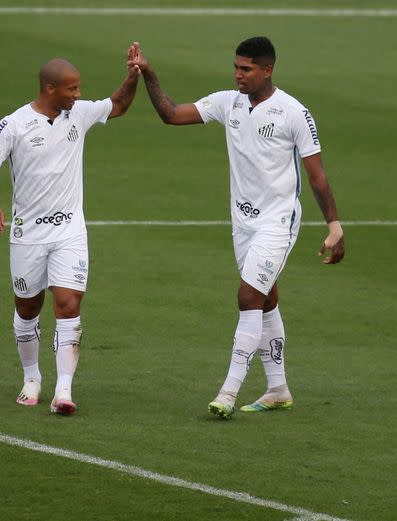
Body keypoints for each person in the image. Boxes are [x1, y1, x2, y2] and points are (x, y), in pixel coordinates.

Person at [128, 37, 346, 419]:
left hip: (278, 220)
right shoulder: (228, 102)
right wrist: (149, 73)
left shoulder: (294, 112)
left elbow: (317, 175)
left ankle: (228, 392)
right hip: (243, 222)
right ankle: (278, 389)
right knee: (266, 298)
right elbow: (170, 113)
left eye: (246, 69)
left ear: (267, 70)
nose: (238, 75)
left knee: (248, 296)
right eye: (236, 67)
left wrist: (333, 224)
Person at [0, 49, 140, 415]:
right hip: (28, 234)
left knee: (68, 304)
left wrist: (134, 75)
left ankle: (64, 390)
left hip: (69, 232)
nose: (78, 95)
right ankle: (31, 378)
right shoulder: (15, 123)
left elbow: (119, 105)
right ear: (50, 89)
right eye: (71, 89)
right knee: (28, 307)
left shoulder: (78, 114)